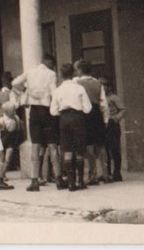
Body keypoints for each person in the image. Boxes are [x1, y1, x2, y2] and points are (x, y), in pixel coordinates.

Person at [12, 53, 59, 191]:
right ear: (49, 62)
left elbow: (15, 83)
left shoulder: (30, 72)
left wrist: (26, 90)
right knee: (52, 144)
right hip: (47, 109)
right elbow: (54, 91)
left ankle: (34, 179)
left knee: (35, 145)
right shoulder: (51, 74)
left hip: (34, 111)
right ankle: (58, 177)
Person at [50, 63, 92, 191]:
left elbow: (53, 111)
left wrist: (62, 113)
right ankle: (81, 181)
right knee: (79, 149)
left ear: (61, 75)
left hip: (64, 119)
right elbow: (88, 108)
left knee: (67, 149)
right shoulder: (79, 89)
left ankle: (71, 183)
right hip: (78, 118)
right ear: (73, 73)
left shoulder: (57, 90)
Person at [74, 59, 109, 185]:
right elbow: (103, 103)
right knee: (100, 144)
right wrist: (105, 119)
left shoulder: (76, 83)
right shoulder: (97, 83)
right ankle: (104, 173)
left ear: (80, 70)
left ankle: (92, 174)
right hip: (96, 113)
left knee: (88, 146)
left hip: (84, 113)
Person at [0, 101, 24, 184]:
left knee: (8, 157)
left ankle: (3, 174)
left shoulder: (16, 118)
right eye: (12, 111)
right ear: (6, 112)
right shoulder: (2, 120)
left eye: (14, 111)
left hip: (11, 140)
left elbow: (20, 128)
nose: (14, 112)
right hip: (3, 140)